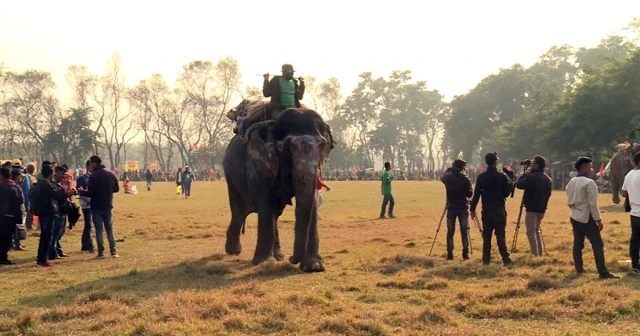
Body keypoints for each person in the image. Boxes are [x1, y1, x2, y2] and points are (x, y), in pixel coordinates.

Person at [566, 157, 619, 279]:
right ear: (583, 168)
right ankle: (603, 272)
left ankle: (579, 269)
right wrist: (598, 220)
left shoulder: (571, 182)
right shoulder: (589, 183)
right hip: (586, 217)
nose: (592, 169)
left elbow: (569, 201)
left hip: (574, 215)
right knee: (597, 244)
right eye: (590, 167)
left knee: (578, 244)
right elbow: (593, 204)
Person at [471, 152, 513, 266]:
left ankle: (486, 260)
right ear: (495, 162)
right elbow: (506, 194)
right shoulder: (502, 177)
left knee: (487, 237)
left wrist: (472, 209)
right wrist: (510, 184)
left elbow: (476, 195)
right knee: (500, 236)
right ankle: (506, 259)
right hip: (499, 210)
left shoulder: (481, 177)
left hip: (487, 211)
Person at [78, 156, 120, 259]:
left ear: (94, 163)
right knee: (109, 229)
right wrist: (108, 191)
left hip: (96, 206)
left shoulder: (93, 176)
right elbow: (116, 189)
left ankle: (101, 252)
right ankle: (113, 251)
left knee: (99, 229)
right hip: (107, 204)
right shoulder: (111, 173)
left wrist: (81, 191)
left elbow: (91, 193)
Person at [516, 156, 553, 256]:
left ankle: (535, 253)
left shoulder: (531, 177)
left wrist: (525, 173)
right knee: (536, 230)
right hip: (542, 208)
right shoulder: (548, 179)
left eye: (533, 164)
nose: (531, 165)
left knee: (531, 232)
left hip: (531, 208)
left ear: (537, 165)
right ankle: (539, 253)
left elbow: (519, 184)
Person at [441, 159, 473, 260]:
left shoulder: (448, 177)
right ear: (462, 167)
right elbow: (470, 194)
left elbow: (442, 178)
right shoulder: (465, 178)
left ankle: (450, 253)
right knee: (464, 232)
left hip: (451, 206)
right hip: (463, 206)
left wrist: (449, 170)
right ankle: (465, 253)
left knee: (450, 232)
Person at [0, 167, 24, 265]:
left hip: (1, 214)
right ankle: (3, 257)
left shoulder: (1, 186)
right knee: (7, 238)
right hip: (11, 216)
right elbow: (21, 201)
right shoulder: (16, 187)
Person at [622, 152, 640, 274]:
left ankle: (635, 264)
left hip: (634, 212)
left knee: (635, 239)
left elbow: (623, 193)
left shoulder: (629, 175)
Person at [49, 166, 71, 260]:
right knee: (55, 234)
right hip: (57, 212)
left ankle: (58, 250)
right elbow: (57, 196)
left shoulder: (58, 184)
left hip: (62, 211)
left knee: (60, 233)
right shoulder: (52, 184)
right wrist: (65, 187)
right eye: (62, 173)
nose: (63, 176)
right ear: (56, 173)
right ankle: (53, 252)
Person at [76, 161, 94, 253]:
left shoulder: (93, 177)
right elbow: (79, 190)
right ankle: (87, 245)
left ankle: (88, 244)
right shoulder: (82, 178)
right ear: (87, 167)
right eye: (91, 166)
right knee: (88, 224)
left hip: (93, 203)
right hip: (86, 203)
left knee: (90, 224)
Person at [24, 164, 37, 230]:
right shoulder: (27, 176)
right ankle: (28, 224)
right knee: (30, 211)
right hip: (30, 195)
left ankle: (30, 224)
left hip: (33, 195)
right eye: (32, 168)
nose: (33, 169)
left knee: (31, 211)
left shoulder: (32, 176)